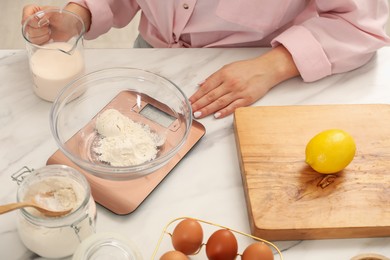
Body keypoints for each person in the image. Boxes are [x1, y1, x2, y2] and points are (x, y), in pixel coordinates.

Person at [22, 1, 390, 119]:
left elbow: (363, 23)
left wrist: (273, 66)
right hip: (153, 59)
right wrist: (79, 13)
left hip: (250, 80)